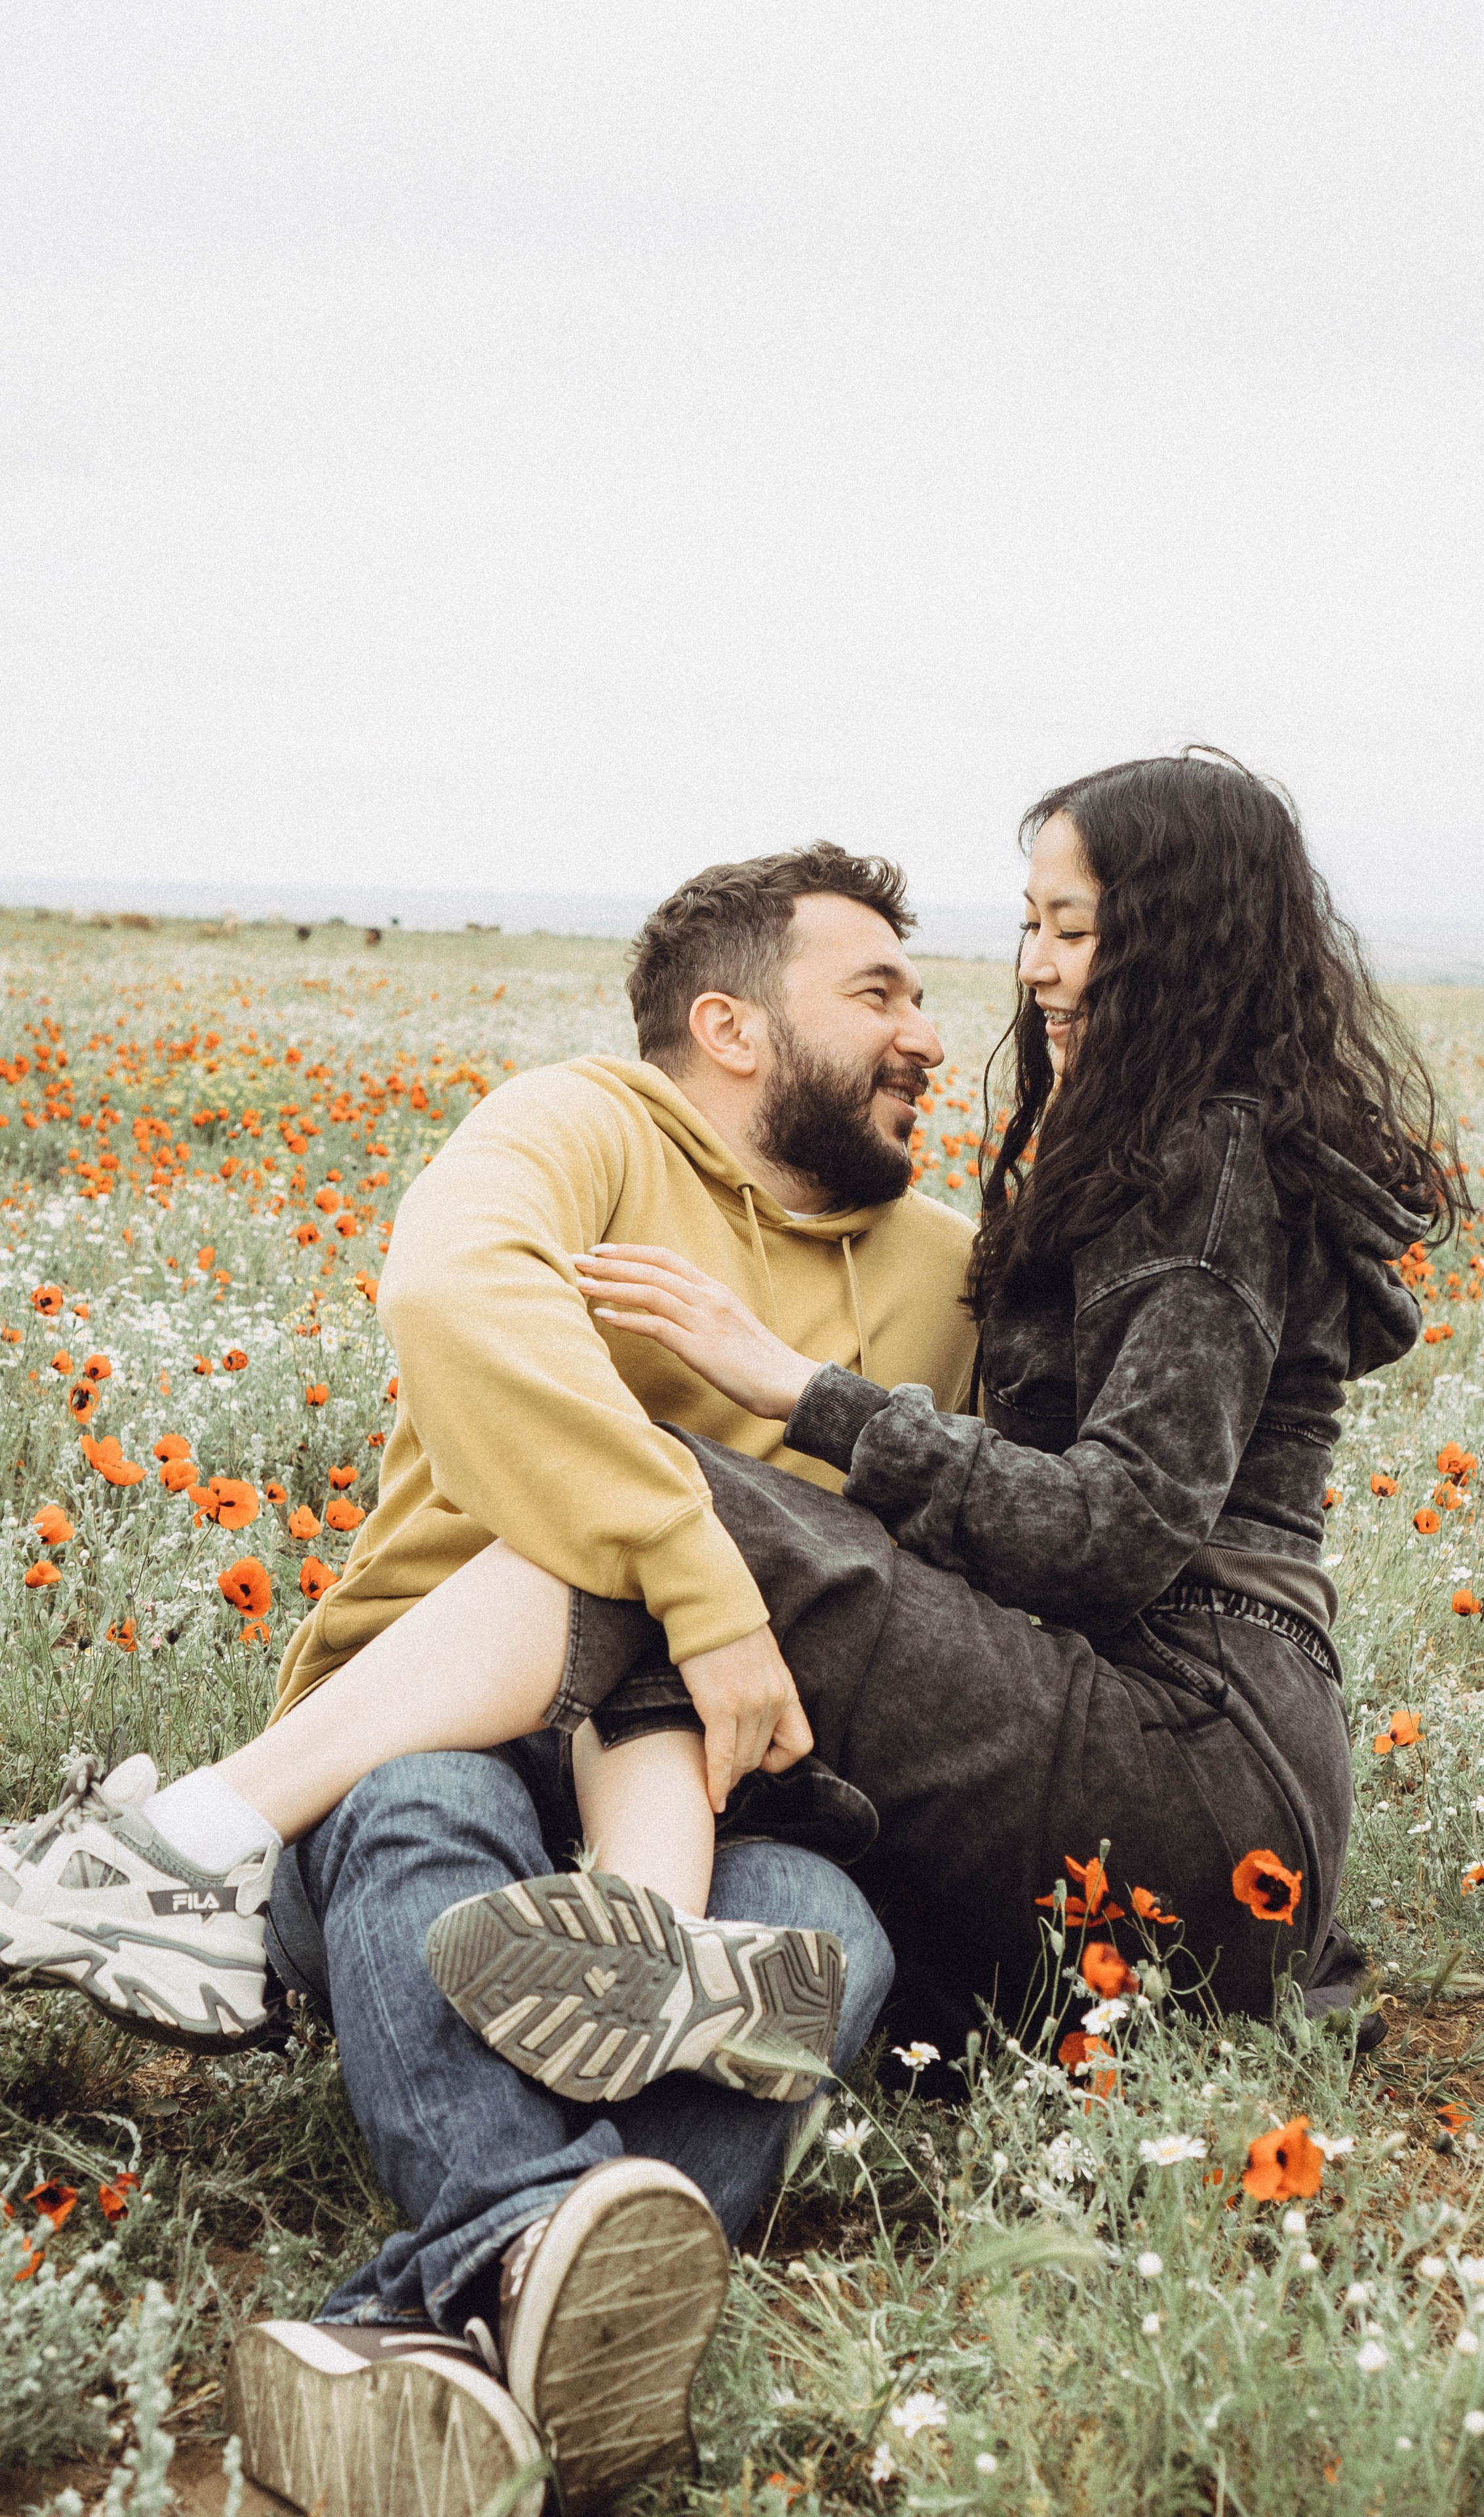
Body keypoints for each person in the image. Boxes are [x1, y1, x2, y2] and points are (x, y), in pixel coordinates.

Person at [0, 844, 972, 2516]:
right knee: (422, 1813)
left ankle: (468, 2317)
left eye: (922, 995)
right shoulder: (579, 1126)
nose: (926, 1034)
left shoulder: (941, 1268)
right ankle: (533, 2272)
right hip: (441, 1708)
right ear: (732, 1027)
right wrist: (691, 1573)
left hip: (727, 1787)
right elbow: (451, 1287)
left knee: (822, 1932)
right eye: (875, 993)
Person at [410, 749, 1466, 2075]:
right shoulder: (1167, 1157)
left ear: (1181, 935)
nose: (1034, 968)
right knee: (672, 1554)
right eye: (1030, 925)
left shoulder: (1209, 1164)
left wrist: (800, 1391)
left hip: (1194, 1755)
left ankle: (226, 1833)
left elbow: (1109, 1531)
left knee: (672, 1489)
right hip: (1166, 1752)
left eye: (1072, 929)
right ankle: (653, 1948)